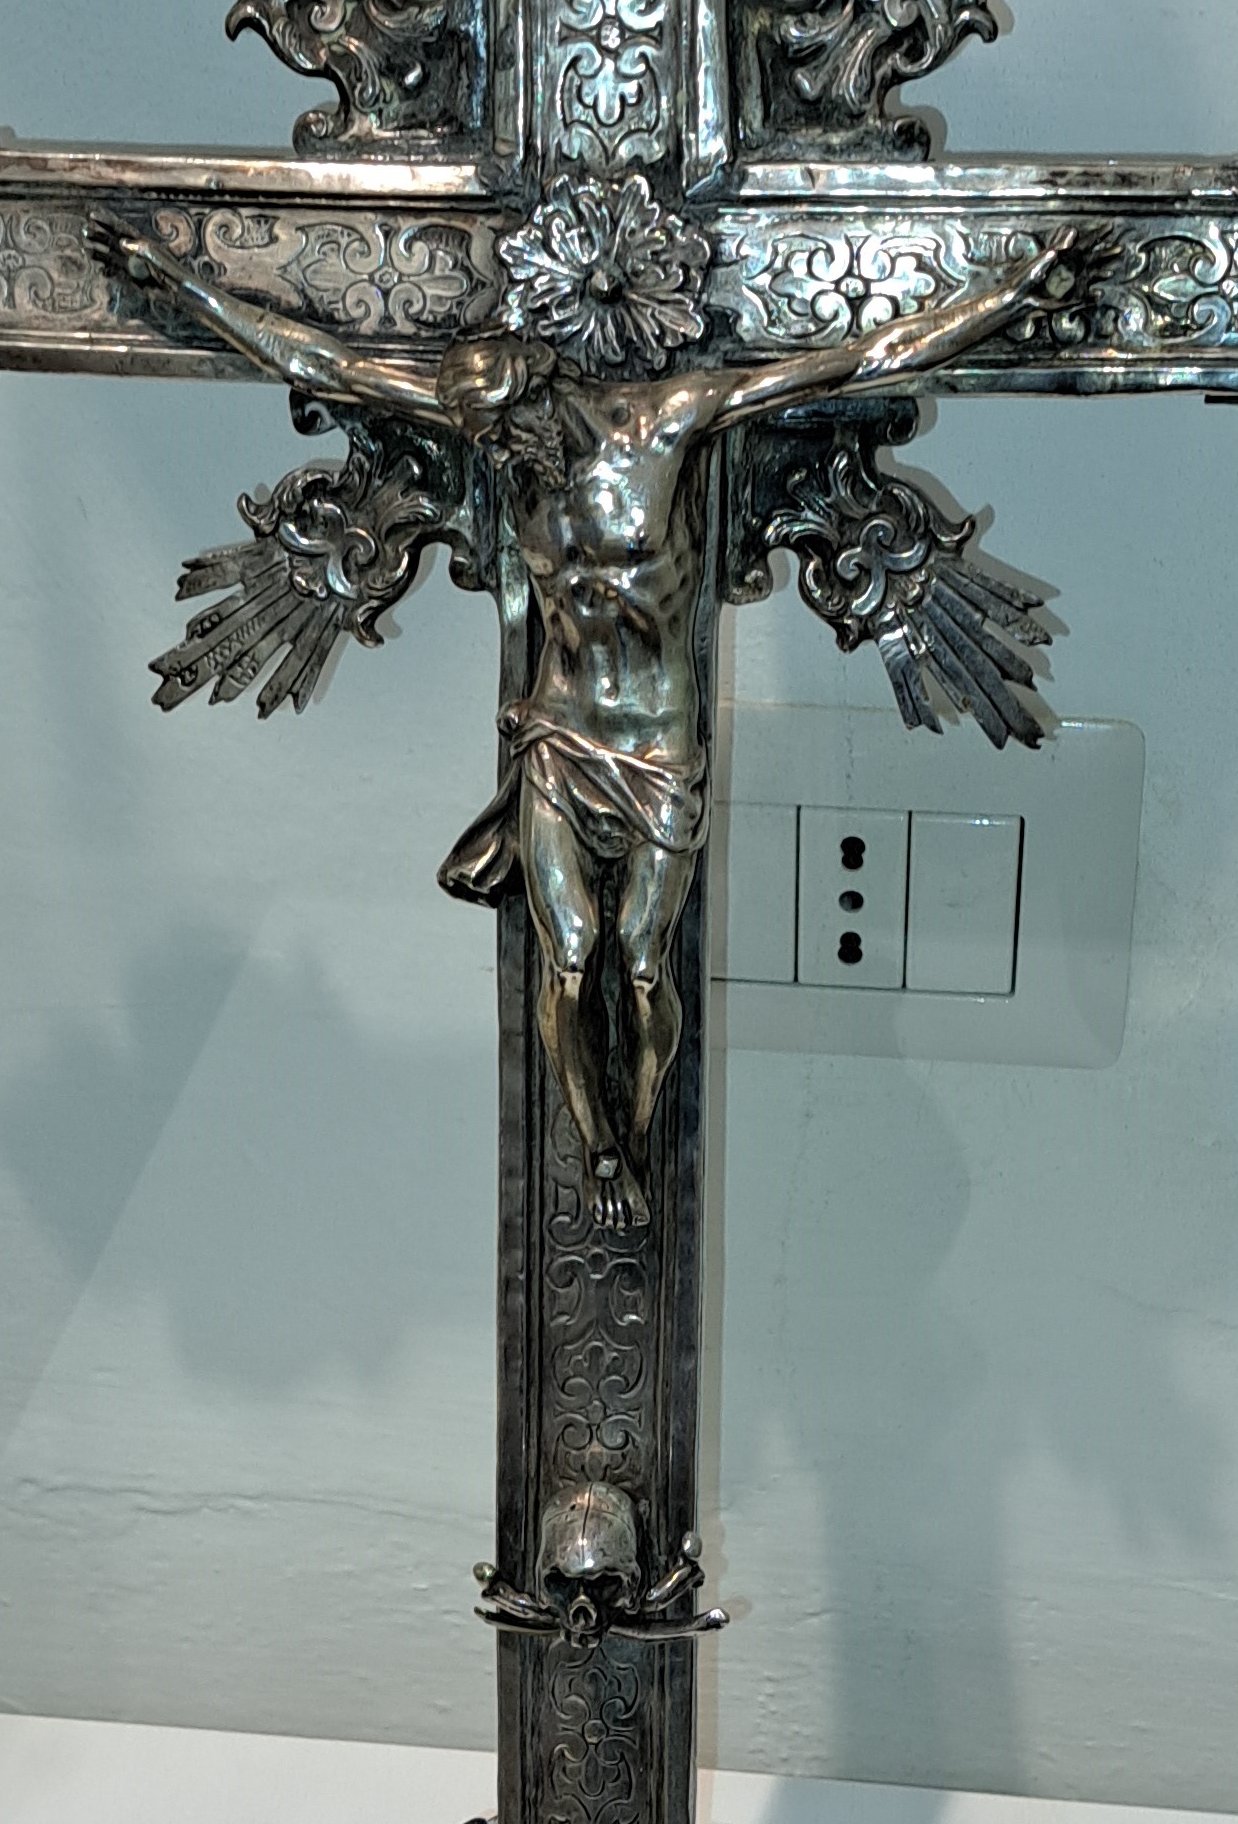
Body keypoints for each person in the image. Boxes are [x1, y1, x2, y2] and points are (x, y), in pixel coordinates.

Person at [101, 220, 1078, 1230]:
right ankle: (600, 1149)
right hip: (557, 734)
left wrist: (1009, 297)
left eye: (500, 426)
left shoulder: (663, 424)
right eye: (478, 433)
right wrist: (176, 283)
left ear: (536, 390)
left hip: (659, 745)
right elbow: (325, 362)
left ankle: (637, 1127)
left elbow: (856, 359)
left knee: (643, 962)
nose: (492, 449)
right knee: (568, 958)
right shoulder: (499, 441)